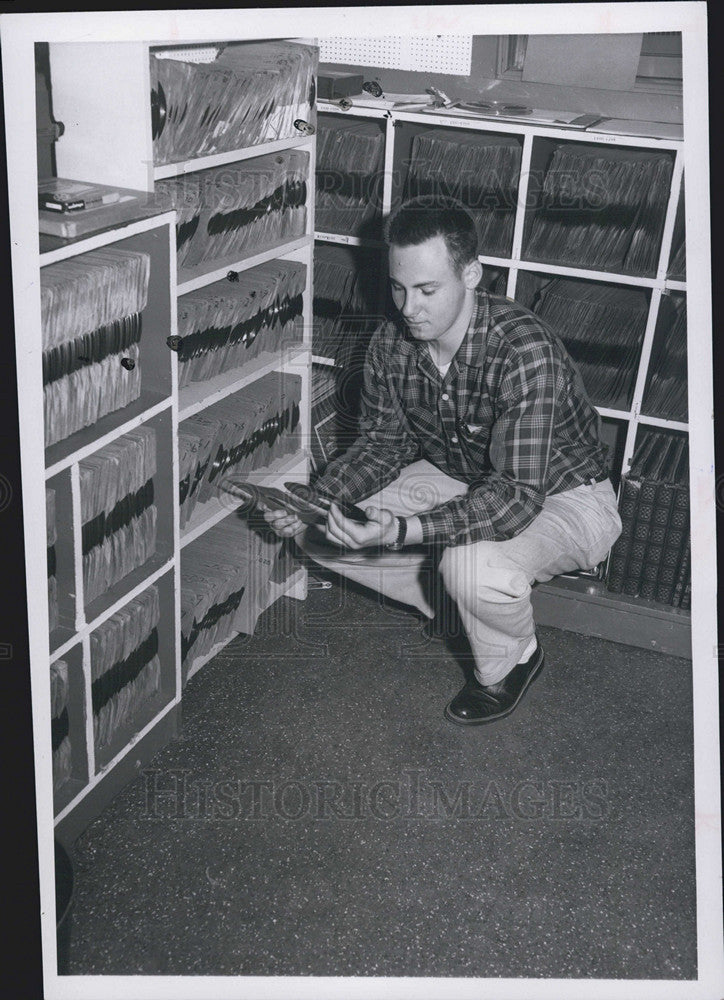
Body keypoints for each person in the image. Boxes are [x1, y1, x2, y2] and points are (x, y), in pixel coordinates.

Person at [265, 195, 622, 727]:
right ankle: (460, 608)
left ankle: (510, 660)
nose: (409, 308)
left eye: (428, 290)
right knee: (320, 532)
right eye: (398, 287)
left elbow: (517, 495)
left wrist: (403, 530)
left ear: (472, 274)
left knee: (469, 565)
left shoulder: (525, 350)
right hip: (465, 479)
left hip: (565, 496)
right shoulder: (393, 341)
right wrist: (316, 501)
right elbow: (383, 444)